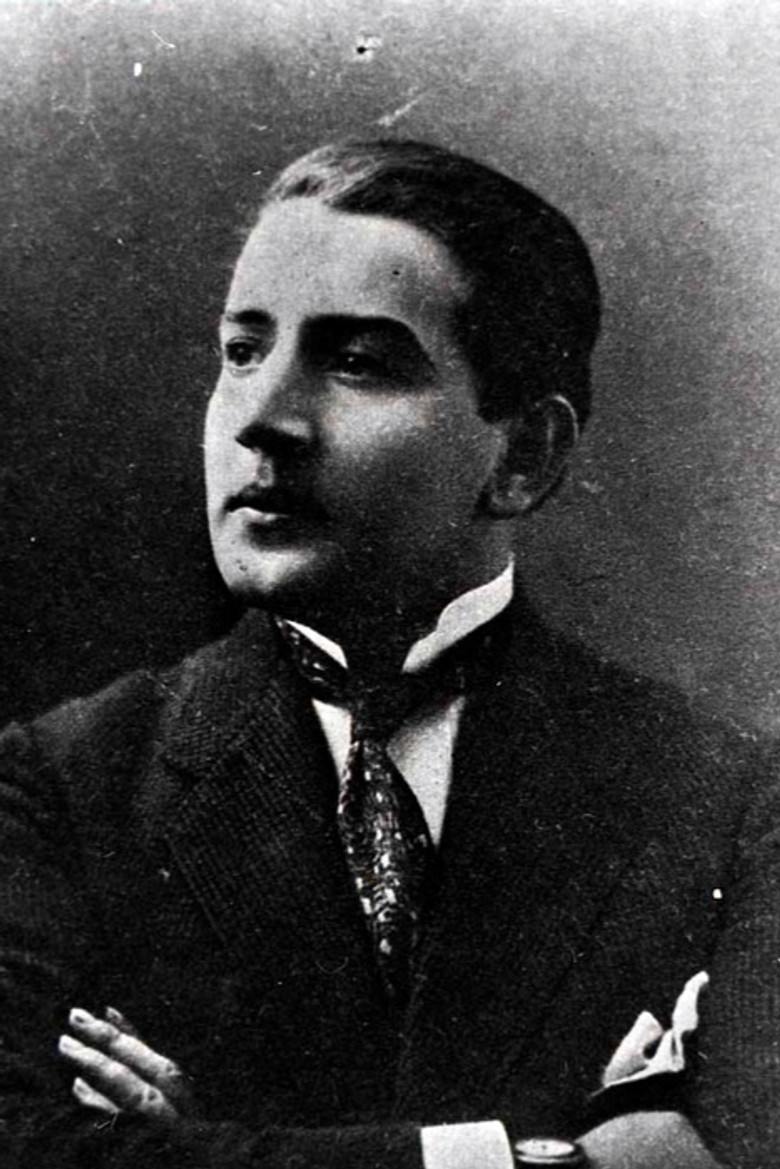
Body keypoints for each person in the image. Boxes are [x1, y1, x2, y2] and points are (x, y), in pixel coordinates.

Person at [0, 139, 776, 1169]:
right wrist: (528, 1159)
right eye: (242, 350)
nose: (262, 418)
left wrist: (199, 1148)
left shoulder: (729, 803)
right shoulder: (64, 784)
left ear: (525, 455)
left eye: (358, 361)